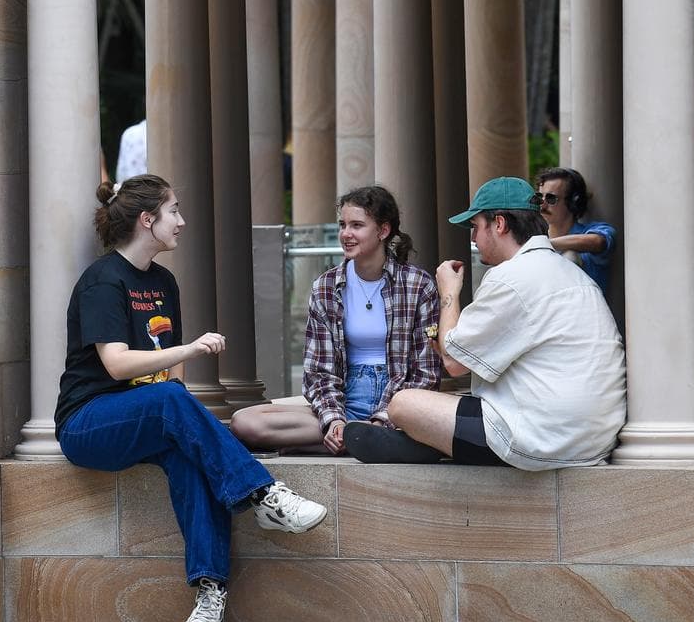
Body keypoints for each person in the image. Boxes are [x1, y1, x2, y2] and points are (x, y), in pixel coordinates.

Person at [55, 173, 328, 622]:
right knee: (170, 402)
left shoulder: (163, 281)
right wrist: (192, 349)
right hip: (89, 422)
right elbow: (116, 364)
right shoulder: (103, 280)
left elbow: (170, 377)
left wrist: (191, 416)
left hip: (149, 414)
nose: (181, 221)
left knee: (190, 456)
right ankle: (265, 495)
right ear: (147, 219)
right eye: (174, 211)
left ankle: (210, 590)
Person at [346, 177, 626, 470]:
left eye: (476, 227)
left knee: (404, 403)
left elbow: (454, 362)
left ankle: (425, 444)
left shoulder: (512, 278)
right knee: (451, 402)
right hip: (592, 439)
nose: (473, 239)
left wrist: (449, 292)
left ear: (499, 224)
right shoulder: (573, 274)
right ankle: (425, 443)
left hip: (541, 440)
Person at [231, 186, 441, 454]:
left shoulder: (418, 284)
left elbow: (426, 372)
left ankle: (357, 439)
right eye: (342, 225)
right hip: (346, 401)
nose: (346, 234)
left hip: (401, 405)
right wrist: (334, 420)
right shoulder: (326, 286)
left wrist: (383, 419)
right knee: (245, 422)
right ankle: (357, 439)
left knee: (425, 420)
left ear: (383, 231)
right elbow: (318, 370)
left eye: (357, 225)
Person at [535, 166, 616, 295]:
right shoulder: (534, 238)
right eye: (539, 197)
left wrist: (544, 244)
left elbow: (598, 241)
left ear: (574, 202)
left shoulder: (592, 232)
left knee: (570, 256)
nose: (542, 205)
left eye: (551, 199)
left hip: (583, 306)